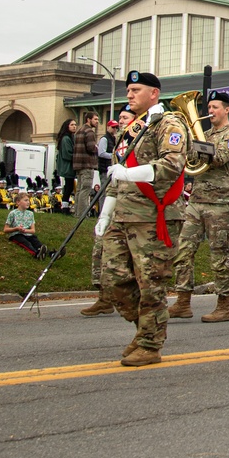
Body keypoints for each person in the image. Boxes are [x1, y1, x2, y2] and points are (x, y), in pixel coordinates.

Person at [97, 70, 189, 367]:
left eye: (136, 89)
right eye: (128, 90)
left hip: (153, 216)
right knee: (112, 280)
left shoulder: (169, 124)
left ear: (154, 94)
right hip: (122, 215)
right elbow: (117, 173)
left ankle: (150, 343)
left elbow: (172, 164)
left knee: (151, 283)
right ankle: (144, 330)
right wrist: (105, 212)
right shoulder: (132, 128)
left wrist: (129, 173)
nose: (129, 94)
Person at [169, 88, 229, 322]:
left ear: (226, 109)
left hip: (221, 203)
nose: (210, 111)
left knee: (219, 254)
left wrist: (196, 143)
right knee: (183, 250)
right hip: (198, 199)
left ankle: (224, 305)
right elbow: (191, 159)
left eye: (214, 108)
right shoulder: (205, 134)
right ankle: (182, 301)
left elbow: (219, 158)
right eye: (208, 108)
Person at [82, 108, 136, 317]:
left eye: (125, 118)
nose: (121, 121)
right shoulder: (119, 145)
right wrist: (104, 215)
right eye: (120, 118)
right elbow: (114, 182)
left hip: (137, 208)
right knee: (101, 248)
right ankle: (104, 297)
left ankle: (139, 302)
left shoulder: (144, 141)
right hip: (117, 204)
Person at [3, 192, 48, 257]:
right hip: (17, 235)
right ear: (18, 202)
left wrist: (25, 230)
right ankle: (36, 254)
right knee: (26, 243)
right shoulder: (13, 213)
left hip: (28, 234)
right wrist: (16, 228)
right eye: (25, 200)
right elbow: (5, 229)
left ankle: (51, 254)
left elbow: (33, 230)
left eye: (28, 200)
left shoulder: (30, 214)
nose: (28, 202)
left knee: (36, 242)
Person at [72, 110, 99, 217]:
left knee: (79, 190)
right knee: (85, 190)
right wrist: (96, 148)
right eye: (95, 119)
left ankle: (77, 213)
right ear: (89, 119)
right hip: (87, 164)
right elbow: (91, 148)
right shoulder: (89, 132)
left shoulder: (79, 131)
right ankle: (83, 214)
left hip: (78, 165)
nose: (97, 122)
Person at [55, 119, 76, 209]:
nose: (74, 126)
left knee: (69, 186)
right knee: (68, 186)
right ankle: (64, 206)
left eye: (75, 125)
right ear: (67, 126)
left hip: (69, 166)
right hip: (67, 166)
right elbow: (67, 154)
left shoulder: (71, 137)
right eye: (72, 125)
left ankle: (65, 205)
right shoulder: (66, 138)